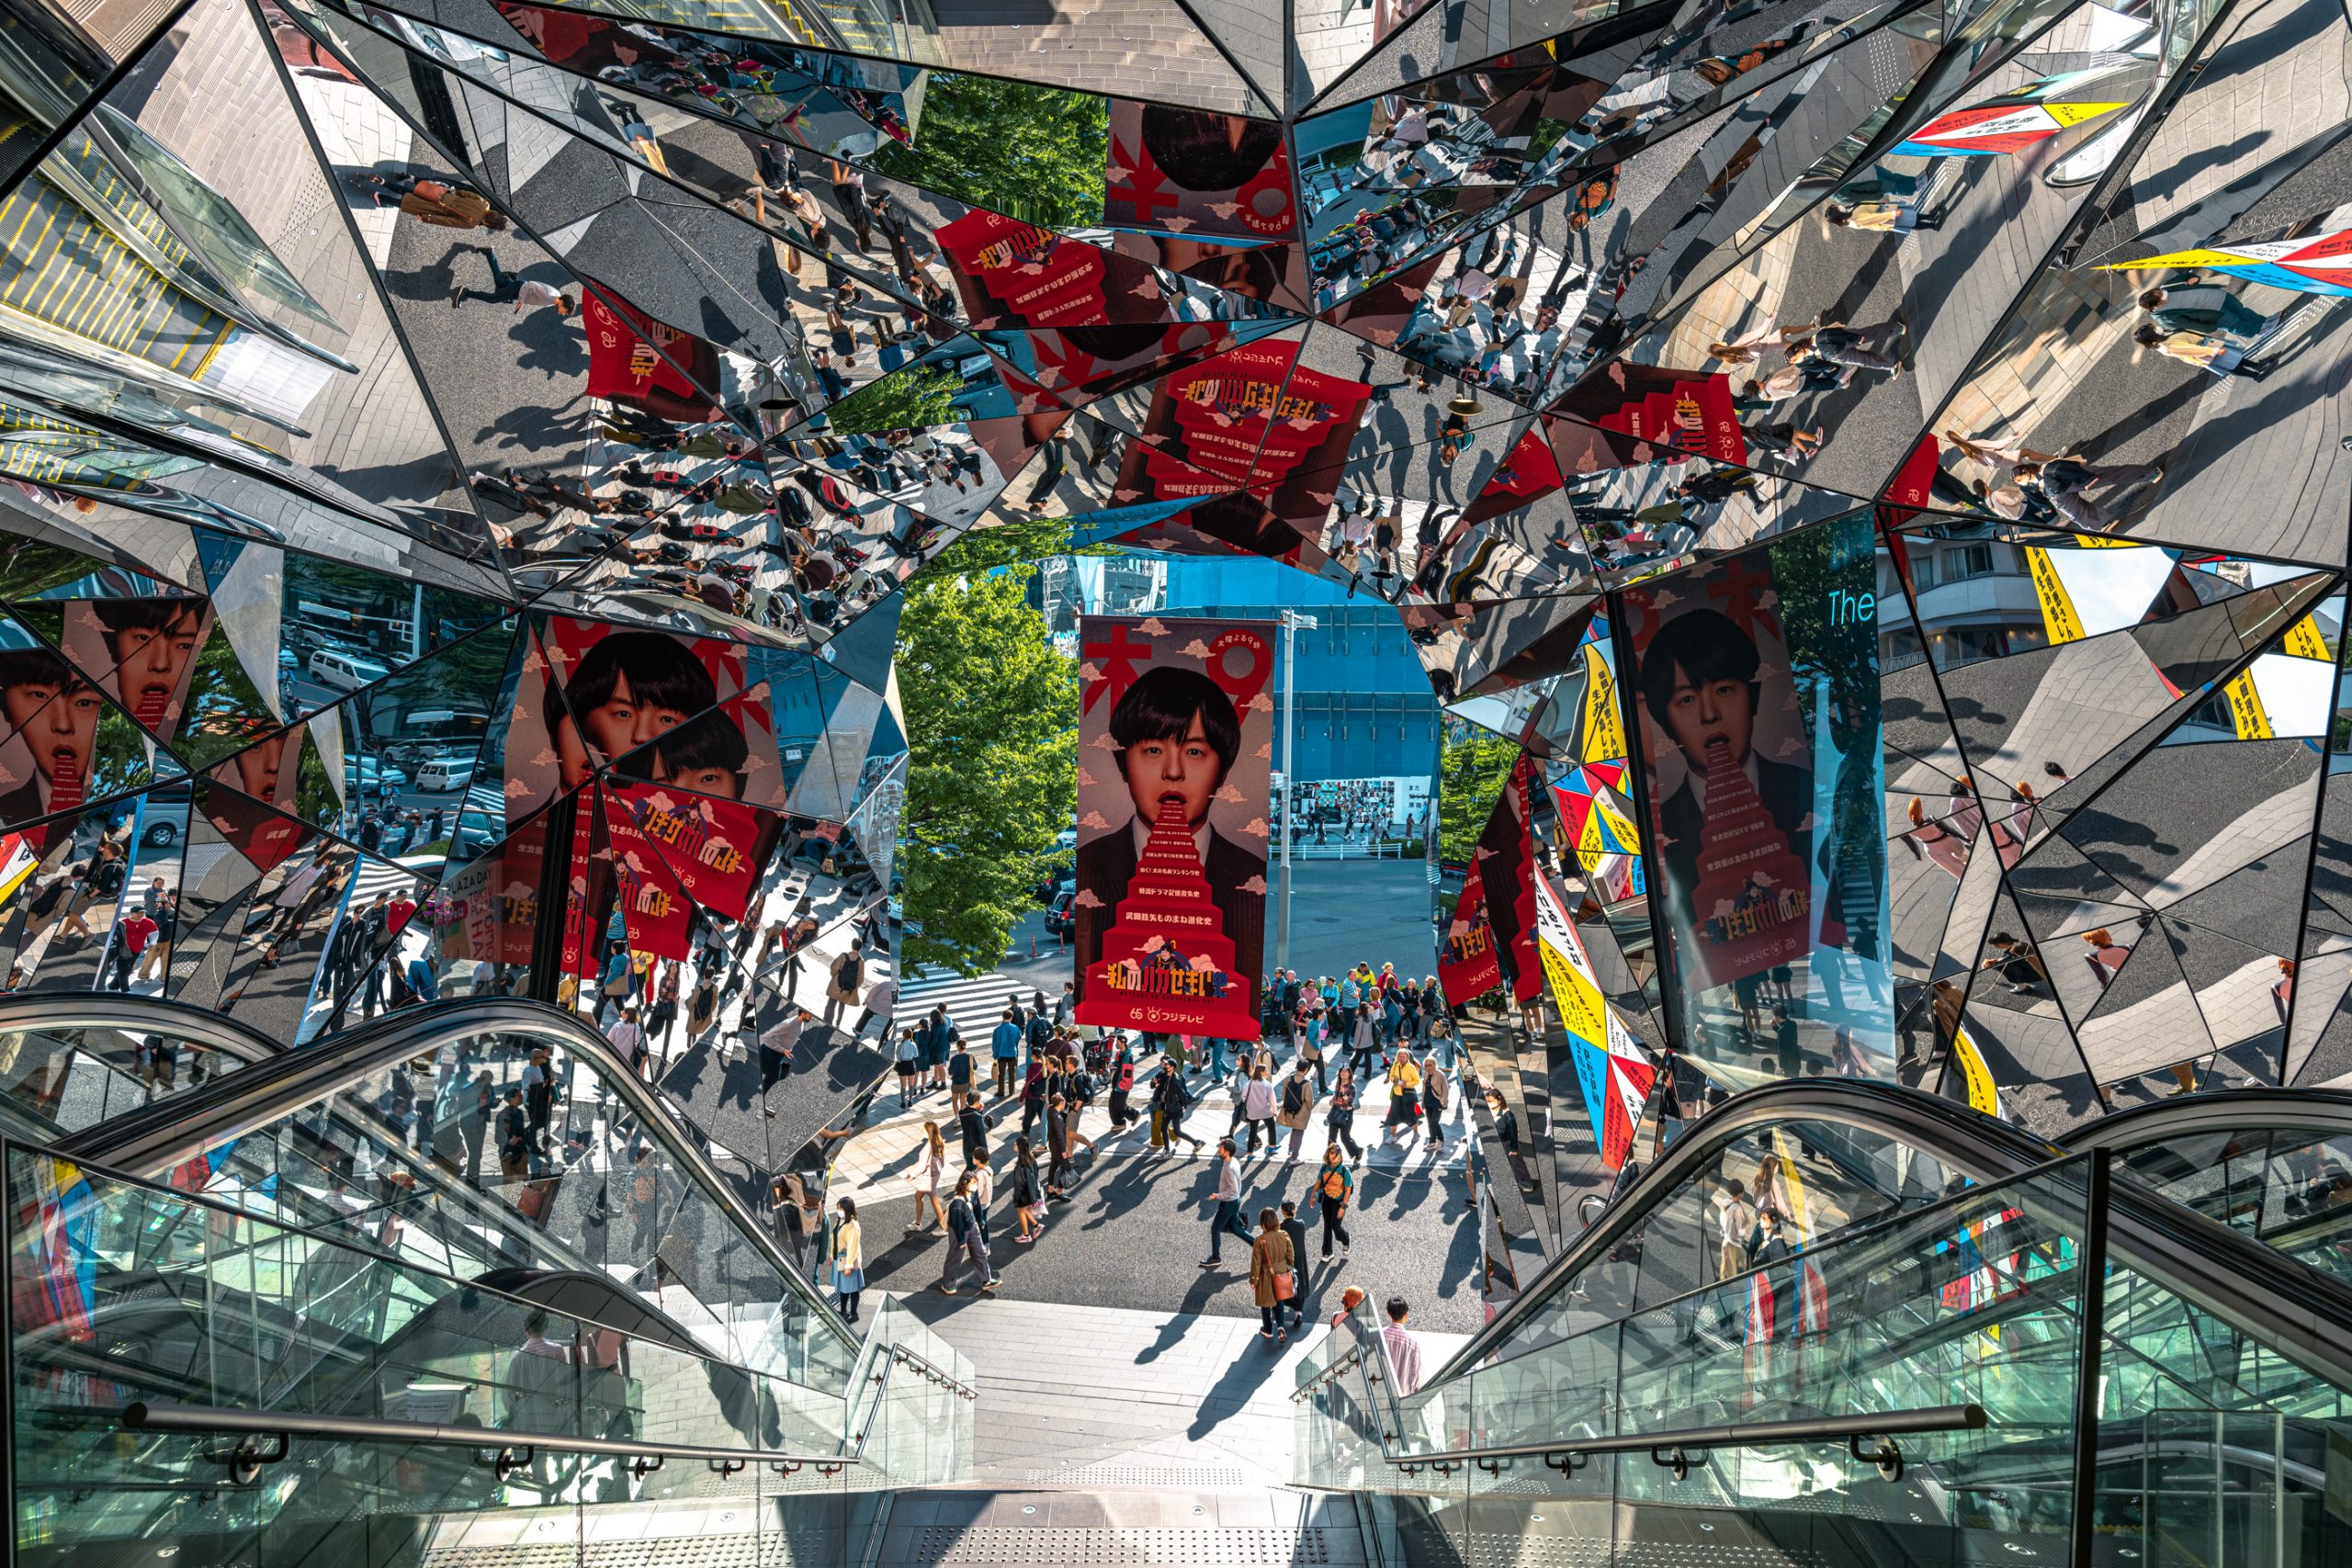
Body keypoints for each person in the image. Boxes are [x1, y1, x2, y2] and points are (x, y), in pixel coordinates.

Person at [1071, 665, 1265, 985]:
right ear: (1123, 763)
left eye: (1194, 751)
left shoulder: (1252, 878)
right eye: (1153, 750)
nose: (1173, 771)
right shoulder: (1088, 866)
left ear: (1223, 770)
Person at [1635, 608, 1812, 934]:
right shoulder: (1661, 829)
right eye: (1686, 699)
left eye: (1724, 690)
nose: (1709, 714)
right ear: (1665, 721)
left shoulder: (1808, 789)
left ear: (1753, 696)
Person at [936, 1171, 998, 1294]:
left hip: (971, 1226)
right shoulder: (957, 1203)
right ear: (965, 1184)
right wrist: (961, 1240)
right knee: (955, 1257)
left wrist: (981, 1221)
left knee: (980, 1252)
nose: (975, 1185)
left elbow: (977, 1206)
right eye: (973, 1183)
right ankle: (947, 1284)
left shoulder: (972, 1194)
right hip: (959, 1231)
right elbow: (957, 1223)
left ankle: (986, 1280)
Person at [1201, 1138, 1252, 1267]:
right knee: (1236, 1229)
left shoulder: (1229, 1167)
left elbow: (1233, 1190)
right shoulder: (1233, 1161)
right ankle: (1259, 1244)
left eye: (1221, 1149)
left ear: (1227, 1152)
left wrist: (1217, 1196)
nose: (1219, 1150)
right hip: (1234, 1201)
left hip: (1229, 1204)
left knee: (1215, 1229)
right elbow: (1237, 1186)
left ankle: (1215, 1258)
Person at [1250, 1206, 1296, 1342]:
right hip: (1281, 1271)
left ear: (1263, 1223)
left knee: (1266, 1302)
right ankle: (1281, 1327)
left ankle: (1268, 1330)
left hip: (1266, 1275)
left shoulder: (1259, 1240)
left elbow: (1256, 1263)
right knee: (1279, 1299)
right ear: (1276, 1221)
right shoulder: (1284, 1235)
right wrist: (1288, 1266)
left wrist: (1254, 1280)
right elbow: (1290, 1255)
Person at [1151, 1062, 1204, 1155]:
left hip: (1174, 1110)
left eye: (1167, 1066)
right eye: (1165, 1065)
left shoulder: (1175, 1080)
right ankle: (1167, 1150)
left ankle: (1196, 1142)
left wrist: (1184, 1106)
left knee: (1177, 1132)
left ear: (1172, 1068)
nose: (1165, 1067)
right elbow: (1163, 1091)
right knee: (1164, 1128)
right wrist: (1157, 1085)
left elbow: (1182, 1094)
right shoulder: (1168, 1077)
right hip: (1168, 1108)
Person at [906, 1122, 948, 1235]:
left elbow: (922, 1166)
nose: (922, 1131)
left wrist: (912, 1175)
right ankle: (917, 1224)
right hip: (934, 1176)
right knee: (918, 1196)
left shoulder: (929, 1146)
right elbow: (942, 1162)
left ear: (928, 1132)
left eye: (924, 1130)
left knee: (935, 1202)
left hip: (929, 1179)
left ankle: (944, 1228)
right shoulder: (939, 1142)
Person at [1316, 1144, 1355, 1260]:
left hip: (1339, 1202)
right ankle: (1327, 1252)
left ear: (1340, 1156)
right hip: (1326, 1200)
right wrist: (1312, 1195)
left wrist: (1343, 1207)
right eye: (1332, 1153)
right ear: (1328, 1154)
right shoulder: (1324, 1167)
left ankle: (1346, 1239)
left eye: (1336, 1154)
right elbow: (1319, 1181)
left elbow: (1348, 1190)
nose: (1334, 1156)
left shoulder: (1344, 1171)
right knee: (1327, 1226)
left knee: (1335, 1226)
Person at [829, 1197, 865, 1323]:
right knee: (844, 1288)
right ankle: (843, 1311)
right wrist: (831, 1256)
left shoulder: (853, 1226)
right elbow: (834, 1239)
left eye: (841, 1208)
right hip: (839, 1259)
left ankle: (854, 1313)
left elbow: (852, 1246)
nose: (839, 1211)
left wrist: (849, 1265)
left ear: (847, 1210)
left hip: (847, 1261)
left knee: (852, 1288)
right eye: (838, 1208)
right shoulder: (841, 1221)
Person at [1379, 1297, 1424, 1394]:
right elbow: (1416, 1374)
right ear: (1406, 1315)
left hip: (1380, 1390)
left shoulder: (1379, 1336)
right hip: (1402, 1393)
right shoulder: (1413, 1343)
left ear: (1388, 1314)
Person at [1278, 1200, 1311, 1332]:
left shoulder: (1281, 1226)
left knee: (1286, 1283)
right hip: (1300, 1258)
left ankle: (1282, 1306)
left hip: (1287, 1259)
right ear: (1295, 1209)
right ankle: (1298, 1313)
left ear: (1283, 1212)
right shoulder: (1301, 1224)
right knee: (1300, 1284)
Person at [1715, 1177, 1757, 1280]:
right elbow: (1739, 1229)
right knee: (1730, 1273)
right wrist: (1745, 1230)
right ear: (1740, 1194)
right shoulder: (1737, 1208)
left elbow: (1723, 1220)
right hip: (1732, 1243)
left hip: (1730, 1241)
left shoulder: (1726, 1202)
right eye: (1742, 1192)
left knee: (1731, 1268)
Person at [1277, 1061, 1317, 1164]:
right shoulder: (1306, 1083)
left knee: (1294, 1129)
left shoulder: (1289, 1078)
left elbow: (1284, 1092)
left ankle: (1290, 1148)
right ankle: (1294, 1157)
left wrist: (1287, 1103)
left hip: (1290, 1109)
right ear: (1306, 1070)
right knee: (1299, 1132)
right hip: (1301, 1111)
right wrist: (1309, 1109)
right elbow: (1309, 1100)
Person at [1010, 1136, 1046, 1242]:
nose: (1014, 1146)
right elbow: (1036, 1172)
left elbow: (1019, 1183)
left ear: (1019, 1147)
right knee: (1024, 1210)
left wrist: (1016, 1197)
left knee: (1021, 1211)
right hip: (1030, 1190)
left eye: (1015, 1144)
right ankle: (1036, 1226)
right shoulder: (1031, 1157)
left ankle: (1026, 1236)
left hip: (1023, 1193)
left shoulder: (1020, 1165)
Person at [1326, 1066, 1363, 1165]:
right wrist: (1333, 1099)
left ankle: (1357, 1151)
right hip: (1335, 1112)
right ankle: (1331, 1158)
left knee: (1345, 1138)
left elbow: (1349, 1102)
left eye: (1345, 1072)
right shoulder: (1338, 1083)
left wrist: (1343, 1093)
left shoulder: (1351, 1087)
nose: (1343, 1073)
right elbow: (1336, 1094)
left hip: (1346, 1115)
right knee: (1331, 1137)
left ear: (1349, 1074)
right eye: (1342, 1071)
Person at [1240, 1061, 1277, 1155]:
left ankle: (1250, 1153)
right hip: (1265, 1111)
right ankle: (1272, 1147)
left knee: (1253, 1132)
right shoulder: (1267, 1084)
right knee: (1271, 1127)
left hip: (1252, 1112)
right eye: (1266, 1071)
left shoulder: (1249, 1083)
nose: (1267, 1072)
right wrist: (1274, 1111)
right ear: (1261, 1072)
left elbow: (1243, 1096)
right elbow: (1272, 1100)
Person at [989, 1008, 1022, 1098]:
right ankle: (1011, 1091)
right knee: (1012, 1073)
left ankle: (1001, 1092)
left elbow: (995, 1044)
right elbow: (1018, 1037)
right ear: (1011, 1018)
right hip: (1012, 1053)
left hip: (1001, 1054)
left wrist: (995, 1055)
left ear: (1003, 1017)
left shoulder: (997, 1030)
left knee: (1001, 1074)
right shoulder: (1015, 1028)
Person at [1420, 1053, 1449, 1151]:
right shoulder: (1426, 1074)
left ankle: (1441, 1140)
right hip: (1428, 1102)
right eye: (1425, 1065)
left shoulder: (1440, 1074)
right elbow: (1424, 1088)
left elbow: (1446, 1089)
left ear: (1433, 1065)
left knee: (1434, 1122)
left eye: (1428, 1065)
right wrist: (1422, 1100)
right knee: (1430, 1122)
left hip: (1437, 1103)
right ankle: (1432, 1142)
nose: (1426, 1067)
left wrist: (1443, 1101)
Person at [956, 1090, 989, 1168]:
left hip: (966, 1146)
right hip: (976, 1148)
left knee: (969, 1168)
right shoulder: (978, 1116)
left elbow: (971, 1119)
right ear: (977, 1102)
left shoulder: (962, 1113)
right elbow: (981, 1134)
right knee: (976, 1171)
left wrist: (979, 1111)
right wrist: (985, 1152)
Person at [893, 1025, 921, 1107]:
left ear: (903, 1035)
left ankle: (903, 1102)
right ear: (911, 1035)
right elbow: (916, 1055)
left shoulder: (900, 1045)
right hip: (911, 1064)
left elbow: (898, 1057)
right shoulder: (913, 1044)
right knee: (911, 1084)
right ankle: (910, 1101)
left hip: (903, 1064)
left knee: (903, 1085)